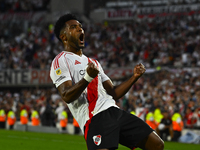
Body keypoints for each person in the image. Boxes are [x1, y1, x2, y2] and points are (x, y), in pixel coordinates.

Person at [50, 13, 164, 150]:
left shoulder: (93, 62)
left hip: (114, 111)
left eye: (80, 26)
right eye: (74, 27)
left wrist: (134, 77)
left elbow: (113, 93)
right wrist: (87, 78)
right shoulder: (61, 60)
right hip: (95, 118)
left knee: (156, 144)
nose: (80, 29)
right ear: (63, 37)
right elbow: (66, 95)